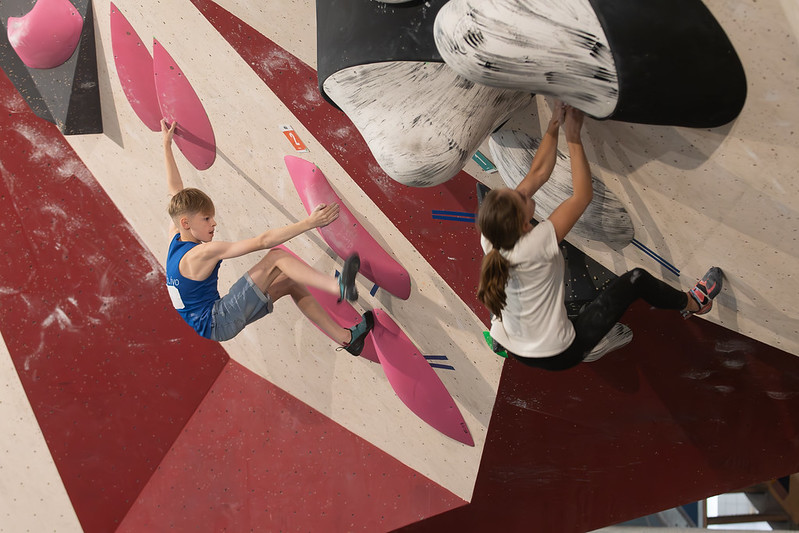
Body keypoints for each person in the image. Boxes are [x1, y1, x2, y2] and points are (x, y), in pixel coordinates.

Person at [477, 103, 722, 371]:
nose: (525, 191)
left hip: (516, 342)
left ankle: (510, 337)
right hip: (559, 352)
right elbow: (582, 196)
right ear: (523, 226)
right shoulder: (535, 246)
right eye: (523, 197)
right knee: (636, 280)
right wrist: (574, 136)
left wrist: (554, 125)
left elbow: (537, 174)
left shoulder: (492, 238)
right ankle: (695, 303)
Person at [161, 120, 374, 355]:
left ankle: (348, 339)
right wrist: (310, 223)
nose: (214, 223)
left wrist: (166, 145)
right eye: (206, 219)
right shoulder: (201, 253)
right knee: (276, 258)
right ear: (186, 223)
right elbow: (263, 241)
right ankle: (340, 287)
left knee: (290, 281)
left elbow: (175, 190)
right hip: (219, 319)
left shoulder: (176, 236)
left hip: (214, 324)